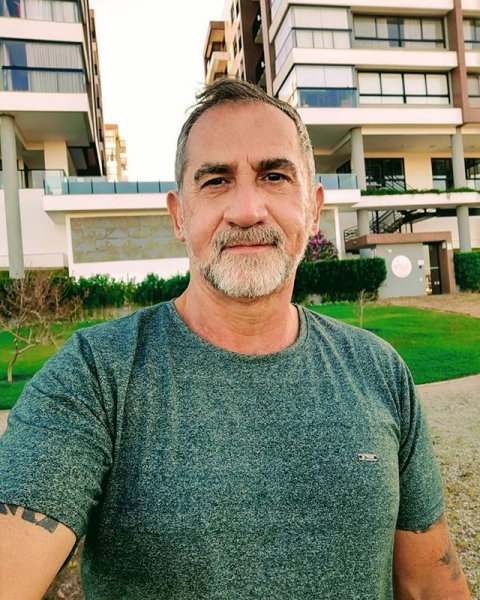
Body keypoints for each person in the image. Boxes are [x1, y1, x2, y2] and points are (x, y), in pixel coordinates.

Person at [0, 78, 471, 600]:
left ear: (313, 208)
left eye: (274, 176)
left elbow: (429, 583)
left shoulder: (378, 370)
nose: (247, 210)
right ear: (179, 215)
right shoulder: (94, 377)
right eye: (216, 181)